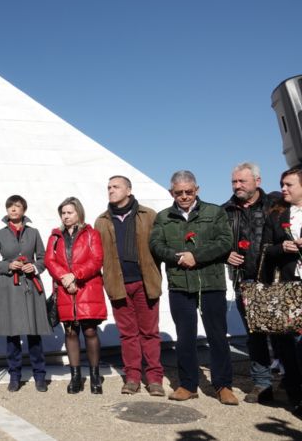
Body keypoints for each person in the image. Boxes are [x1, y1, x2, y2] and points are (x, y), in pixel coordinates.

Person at [149, 170, 238, 405]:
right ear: (172, 192)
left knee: (217, 336)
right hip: (180, 284)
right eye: (179, 193)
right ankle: (188, 385)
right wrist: (179, 257)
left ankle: (223, 385)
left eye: (189, 191)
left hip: (211, 283)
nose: (185, 196)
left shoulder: (215, 212)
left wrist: (195, 256)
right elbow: (156, 245)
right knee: (184, 337)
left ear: (197, 190)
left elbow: (224, 242)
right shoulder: (163, 217)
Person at [94, 176, 165, 396]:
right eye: (108, 187)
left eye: (116, 187)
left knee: (150, 333)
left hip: (145, 283)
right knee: (127, 335)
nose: (111, 190)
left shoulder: (149, 215)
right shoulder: (102, 221)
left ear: (129, 190)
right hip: (118, 284)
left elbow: (159, 247)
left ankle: (154, 379)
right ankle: (133, 377)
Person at [221, 162, 282, 404]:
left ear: (257, 181)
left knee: (283, 334)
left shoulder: (275, 206)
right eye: (234, 182)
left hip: (276, 280)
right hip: (244, 281)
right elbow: (218, 241)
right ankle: (262, 383)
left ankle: (291, 381)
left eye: (241, 181)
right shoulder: (225, 210)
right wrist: (225, 253)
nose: (237, 186)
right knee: (255, 335)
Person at [0, 195, 51, 392]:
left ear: (24, 210)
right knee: (12, 333)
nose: (13, 209)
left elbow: (43, 258)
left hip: (30, 285)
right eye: (10, 206)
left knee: (34, 332)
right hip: (8, 286)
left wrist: (34, 266)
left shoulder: (34, 233)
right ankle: (14, 375)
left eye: (17, 206)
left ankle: (39, 375)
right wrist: (8, 265)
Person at [45, 197, 106, 394]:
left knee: (90, 332)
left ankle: (95, 376)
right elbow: (49, 260)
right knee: (70, 332)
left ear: (78, 212)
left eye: (69, 212)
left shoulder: (92, 234)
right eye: (63, 213)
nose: (66, 216)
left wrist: (75, 276)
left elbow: (96, 260)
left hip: (87, 288)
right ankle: (75, 377)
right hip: (65, 290)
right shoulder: (55, 237)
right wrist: (65, 278)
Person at [258, 167, 302, 414]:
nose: (283, 189)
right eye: (282, 184)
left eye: (289, 185)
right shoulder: (276, 216)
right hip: (287, 286)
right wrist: (282, 247)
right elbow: (265, 249)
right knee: (288, 343)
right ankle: (296, 394)